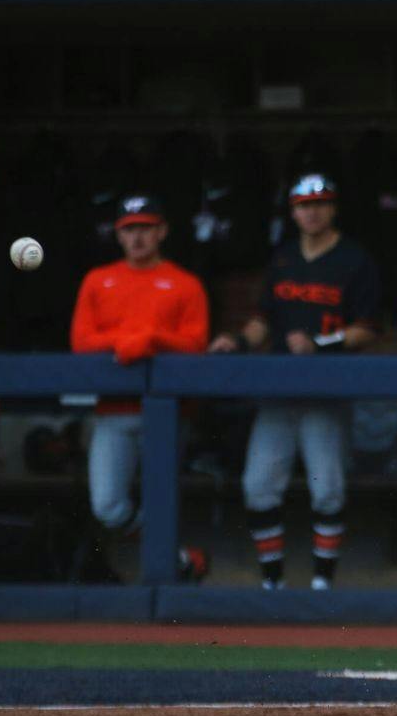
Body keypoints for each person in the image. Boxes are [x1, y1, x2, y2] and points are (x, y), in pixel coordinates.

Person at [209, 174, 380, 591]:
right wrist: (236, 341)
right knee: (258, 486)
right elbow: (263, 320)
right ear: (294, 210)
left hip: (327, 392)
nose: (312, 211)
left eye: (320, 202)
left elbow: (370, 328)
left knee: (328, 489)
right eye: (304, 204)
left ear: (333, 207)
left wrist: (322, 343)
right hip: (280, 392)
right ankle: (273, 584)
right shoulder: (283, 257)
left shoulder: (354, 259)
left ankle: (322, 584)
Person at [71, 194, 210, 581]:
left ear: (162, 231)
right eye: (129, 229)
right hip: (113, 411)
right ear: (118, 235)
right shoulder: (98, 280)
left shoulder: (184, 283)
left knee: (160, 501)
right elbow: (82, 342)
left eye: (145, 228)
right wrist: (129, 339)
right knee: (108, 504)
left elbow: (196, 344)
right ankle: (180, 557)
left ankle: (168, 577)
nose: (137, 237)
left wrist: (152, 337)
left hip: (167, 415)